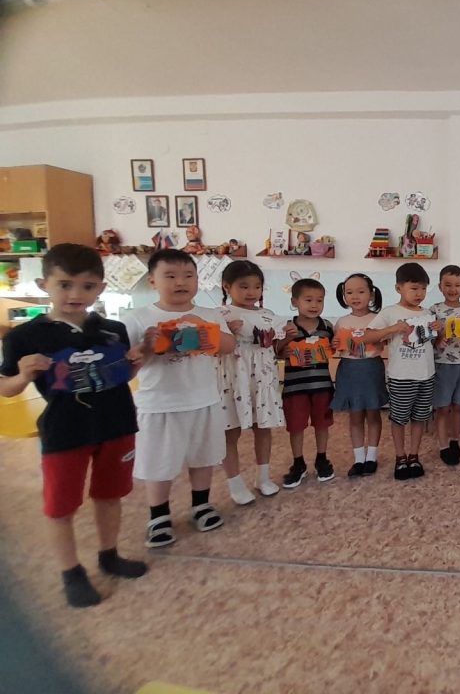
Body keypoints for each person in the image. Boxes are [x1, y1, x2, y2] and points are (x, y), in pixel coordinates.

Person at [0, 244, 146, 607]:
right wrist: (23, 375)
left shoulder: (112, 330)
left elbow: (120, 375)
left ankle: (109, 555)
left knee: (110, 494)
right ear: (44, 284)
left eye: (87, 286)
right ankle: (71, 572)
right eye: (65, 284)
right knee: (61, 505)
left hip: (116, 424)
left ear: (101, 288)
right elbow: (6, 388)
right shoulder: (24, 337)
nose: (75, 294)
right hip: (65, 431)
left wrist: (135, 365)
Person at [124, 248, 235, 548]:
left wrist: (203, 326)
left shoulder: (209, 314)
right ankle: (158, 516)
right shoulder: (138, 318)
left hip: (204, 400)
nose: (180, 282)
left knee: (204, 457)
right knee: (159, 462)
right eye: (170, 276)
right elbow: (127, 367)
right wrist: (145, 349)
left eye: (188, 275)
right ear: (152, 281)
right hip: (159, 405)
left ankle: (202, 505)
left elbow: (229, 346)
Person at [217, 260, 293, 504]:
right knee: (230, 430)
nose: (251, 292)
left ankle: (263, 477)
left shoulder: (268, 316)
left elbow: (276, 349)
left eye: (257, 287)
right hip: (233, 378)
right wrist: (227, 331)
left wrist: (286, 339)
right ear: (227, 286)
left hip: (263, 378)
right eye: (244, 286)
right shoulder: (220, 315)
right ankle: (235, 483)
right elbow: (212, 348)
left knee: (263, 427)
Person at [360, 263, 436, 480]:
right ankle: (400, 457)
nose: (419, 293)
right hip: (401, 377)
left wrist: (437, 331)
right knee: (399, 419)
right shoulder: (390, 312)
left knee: (420, 418)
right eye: (414, 288)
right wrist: (394, 328)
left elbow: (432, 343)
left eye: (423, 289)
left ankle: (414, 456)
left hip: (426, 375)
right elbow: (367, 336)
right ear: (398, 288)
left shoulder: (428, 313)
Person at [280, 279, 336, 487]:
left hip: (322, 386)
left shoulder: (327, 326)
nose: (314, 305)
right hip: (295, 388)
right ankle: (298, 463)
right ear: (295, 302)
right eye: (308, 300)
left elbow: (333, 349)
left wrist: (336, 345)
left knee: (322, 424)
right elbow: (277, 352)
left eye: (319, 300)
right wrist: (285, 344)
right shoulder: (287, 327)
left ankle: (322, 458)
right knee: (296, 426)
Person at [332, 274, 387, 477]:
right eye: (349, 292)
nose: (355, 296)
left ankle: (371, 456)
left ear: (371, 294)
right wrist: (334, 344)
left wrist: (380, 339)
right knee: (355, 415)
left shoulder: (378, 319)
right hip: (349, 370)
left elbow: (385, 342)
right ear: (344, 296)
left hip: (371, 369)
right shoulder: (341, 321)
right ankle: (358, 459)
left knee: (373, 414)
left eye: (361, 291)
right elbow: (335, 347)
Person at [428, 265, 460, 466]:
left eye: (457, 285)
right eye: (447, 285)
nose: (453, 289)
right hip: (443, 365)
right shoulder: (434, 310)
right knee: (443, 407)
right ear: (440, 287)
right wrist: (437, 340)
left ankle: (455, 440)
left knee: (458, 406)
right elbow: (427, 338)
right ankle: (443, 445)